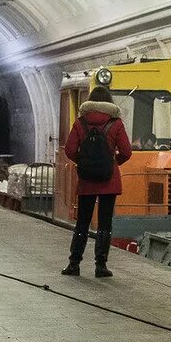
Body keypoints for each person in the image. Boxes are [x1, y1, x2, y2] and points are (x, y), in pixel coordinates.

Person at [61, 87, 132, 278]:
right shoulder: (116, 123)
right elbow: (127, 151)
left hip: (87, 180)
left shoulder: (80, 123)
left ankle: (74, 264)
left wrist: (83, 161)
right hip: (109, 180)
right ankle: (101, 266)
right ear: (109, 102)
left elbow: (69, 150)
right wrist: (113, 162)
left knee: (82, 223)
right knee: (104, 224)